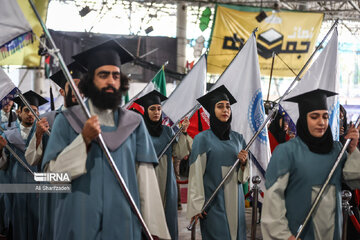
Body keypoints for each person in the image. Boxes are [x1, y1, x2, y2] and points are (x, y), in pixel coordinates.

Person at [41, 39, 170, 239]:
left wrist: (154, 229)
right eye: (103, 75)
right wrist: (82, 140)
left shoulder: (134, 123)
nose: (110, 81)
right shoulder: (66, 121)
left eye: (115, 75)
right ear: (90, 80)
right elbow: (51, 179)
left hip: (123, 224)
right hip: (77, 223)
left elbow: (145, 180)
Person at [261, 89, 360, 240]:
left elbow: (353, 180)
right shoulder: (287, 151)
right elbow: (273, 199)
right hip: (298, 234)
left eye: (325, 117)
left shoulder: (337, 150)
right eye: (314, 117)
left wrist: (352, 149)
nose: (321, 122)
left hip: (332, 233)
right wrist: (284, 236)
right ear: (303, 119)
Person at [24, 62, 86, 240]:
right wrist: (37, 135)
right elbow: (32, 160)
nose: (76, 91)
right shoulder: (48, 119)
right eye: (71, 86)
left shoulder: (92, 121)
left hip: (83, 187)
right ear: (61, 91)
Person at [187, 85, 249, 240]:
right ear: (212, 111)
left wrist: (243, 163)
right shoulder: (202, 139)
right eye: (220, 106)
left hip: (236, 202)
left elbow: (243, 178)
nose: (225, 110)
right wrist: (196, 205)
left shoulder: (238, 138)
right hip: (213, 203)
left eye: (228, 107)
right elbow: (195, 173)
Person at [134, 90, 193, 240]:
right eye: (152, 109)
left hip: (166, 179)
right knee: (147, 212)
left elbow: (179, 153)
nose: (156, 112)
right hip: (146, 176)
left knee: (166, 214)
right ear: (146, 111)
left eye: (159, 109)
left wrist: (183, 132)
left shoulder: (167, 131)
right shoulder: (139, 131)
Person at [0, 91, 48, 240]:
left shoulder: (45, 134)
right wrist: (0, 149)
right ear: (18, 112)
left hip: (38, 188)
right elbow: (3, 165)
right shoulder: (8, 135)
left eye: (35, 110)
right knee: (18, 224)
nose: (31, 114)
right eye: (27, 110)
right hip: (16, 188)